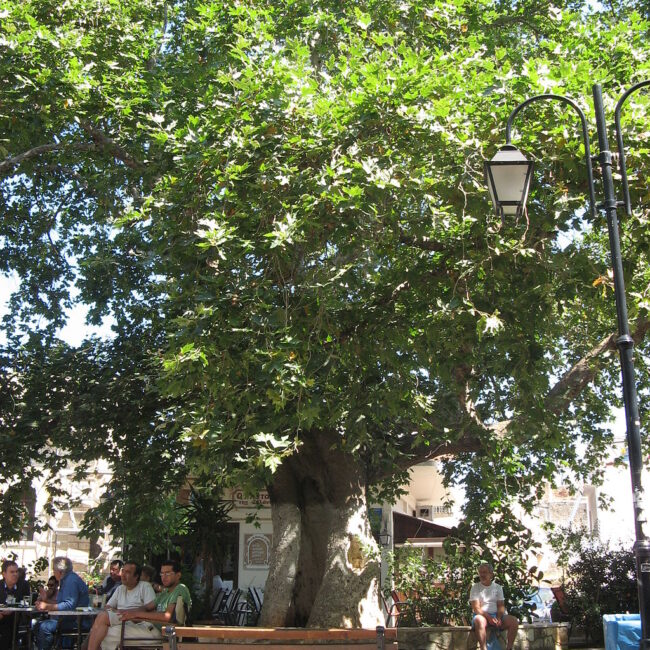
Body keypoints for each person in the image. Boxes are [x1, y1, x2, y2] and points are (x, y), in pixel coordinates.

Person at [85, 560, 156, 650]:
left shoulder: (145, 586)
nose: (123, 574)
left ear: (136, 576)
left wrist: (122, 612)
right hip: (121, 620)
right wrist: (116, 612)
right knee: (99, 625)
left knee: (100, 626)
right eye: (123, 571)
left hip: (138, 623)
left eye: (128, 572)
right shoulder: (120, 589)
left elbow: (150, 608)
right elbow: (108, 607)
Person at [119, 559, 191, 641]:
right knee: (113, 628)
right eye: (162, 573)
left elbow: (167, 616)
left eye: (167, 573)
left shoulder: (180, 588)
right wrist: (124, 612)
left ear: (178, 575)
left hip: (164, 633)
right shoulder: (165, 592)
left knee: (112, 632)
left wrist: (136, 615)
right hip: (151, 628)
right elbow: (146, 607)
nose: (163, 577)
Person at [35, 556, 90, 650]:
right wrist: (45, 602)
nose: (53, 572)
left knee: (44, 627)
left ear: (60, 571)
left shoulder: (71, 581)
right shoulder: (67, 580)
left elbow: (69, 605)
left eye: (53, 570)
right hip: (68, 619)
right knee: (37, 625)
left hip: (77, 621)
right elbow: (61, 603)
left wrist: (47, 606)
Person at [469, 562, 519, 650]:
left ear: (491, 574)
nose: (482, 575)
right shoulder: (475, 587)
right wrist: (488, 617)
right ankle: (483, 648)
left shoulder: (498, 587)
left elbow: (501, 605)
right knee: (479, 620)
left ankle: (509, 648)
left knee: (514, 621)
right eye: (480, 573)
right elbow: (476, 608)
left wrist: (499, 618)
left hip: (496, 615)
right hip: (482, 616)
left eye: (485, 572)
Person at [0, 559, 31, 648]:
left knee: (8, 625)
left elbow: (26, 603)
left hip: (17, 617)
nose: (15, 574)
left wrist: (12, 609)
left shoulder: (23, 585)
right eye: (12, 572)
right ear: (4, 574)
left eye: (16, 571)